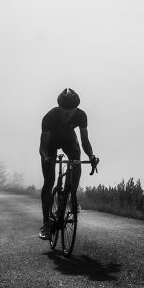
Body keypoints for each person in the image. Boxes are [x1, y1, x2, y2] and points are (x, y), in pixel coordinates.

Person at [39, 88, 98, 239]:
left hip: (68, 140)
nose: (68, 115)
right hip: (51, 144)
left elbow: (85, 141)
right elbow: (43, 145)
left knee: (76, 161)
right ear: (59, 108)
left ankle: (69, 196)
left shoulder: (81, 115)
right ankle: (46, 223)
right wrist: (46, 157)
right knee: (49, 181)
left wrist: (91, 156)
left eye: (72, 111)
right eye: (65, 111)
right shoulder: (49, 117)